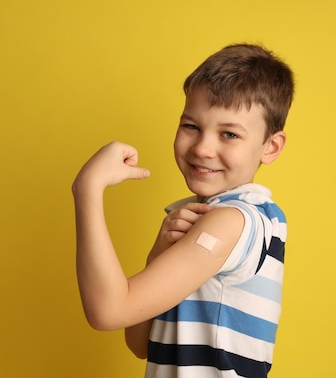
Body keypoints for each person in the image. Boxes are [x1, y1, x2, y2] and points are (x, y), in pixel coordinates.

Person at [72, 43, 294, 378]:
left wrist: (87, 189)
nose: (203, 148)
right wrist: (158, 254)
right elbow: (141, 343)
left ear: (270, 147)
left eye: (229, 134)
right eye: (191, 126)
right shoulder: (212, 217)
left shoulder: (231, 222)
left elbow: (108, 312)